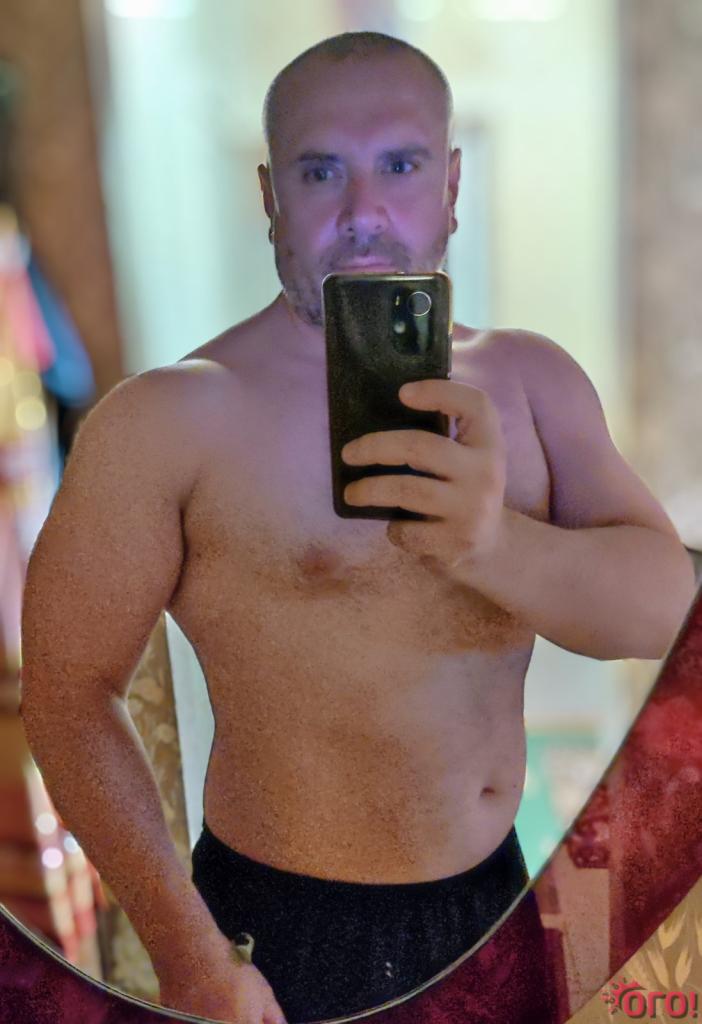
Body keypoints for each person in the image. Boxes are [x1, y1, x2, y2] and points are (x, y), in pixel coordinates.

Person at [19, 30, 696, 1024]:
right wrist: (187, 951)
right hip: (279, 929)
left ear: (452, 186)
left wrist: (492, 545)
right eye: (321, 169)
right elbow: (68, 694)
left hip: (495, 903)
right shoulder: (168, 419)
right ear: (270, 196)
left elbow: (666, 613)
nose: (362, 210)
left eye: (401, 165)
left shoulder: (532, 382)